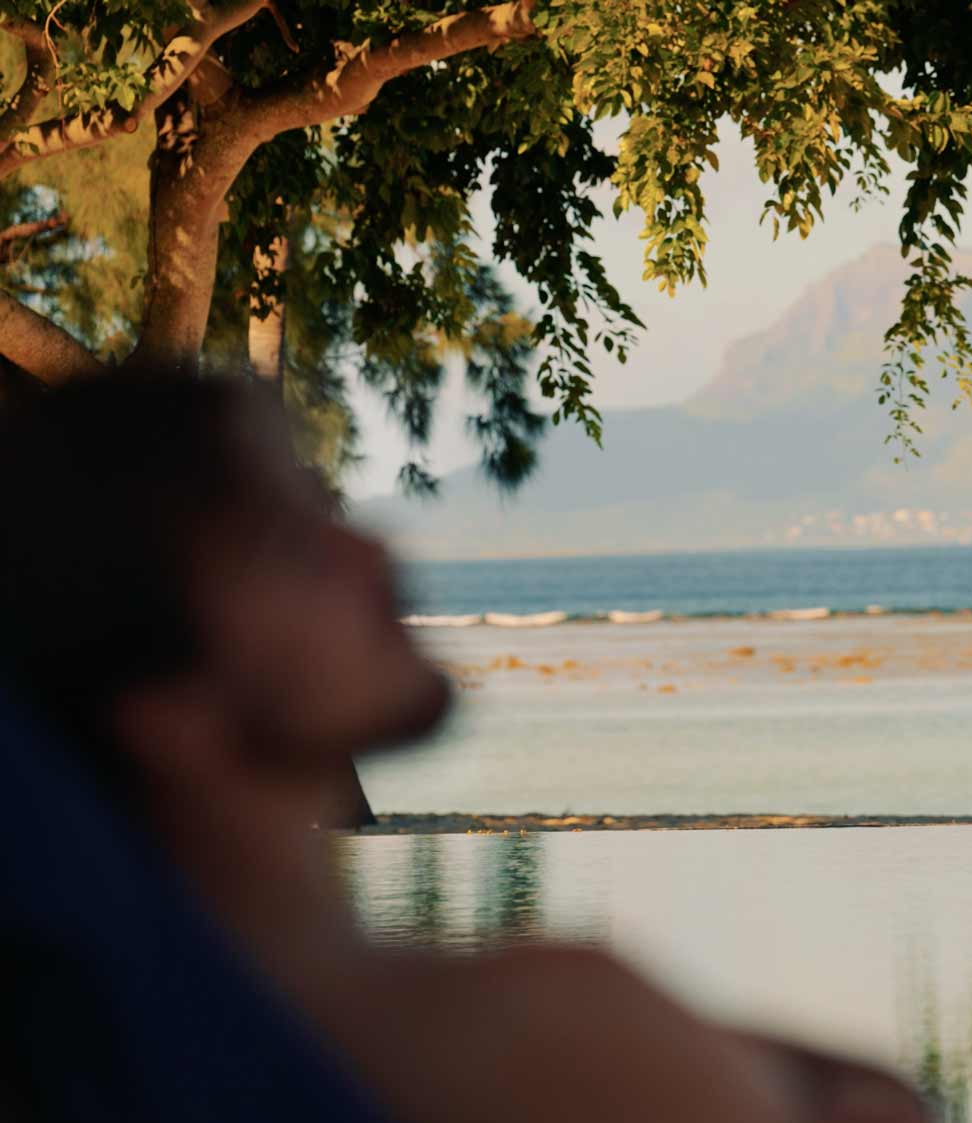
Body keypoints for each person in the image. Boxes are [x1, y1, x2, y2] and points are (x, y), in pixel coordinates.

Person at [0, 371, 925, 1123]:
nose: (371, 554)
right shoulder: (530, 1028)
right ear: (162, 706)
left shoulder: (124, 1034)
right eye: (290, 548)